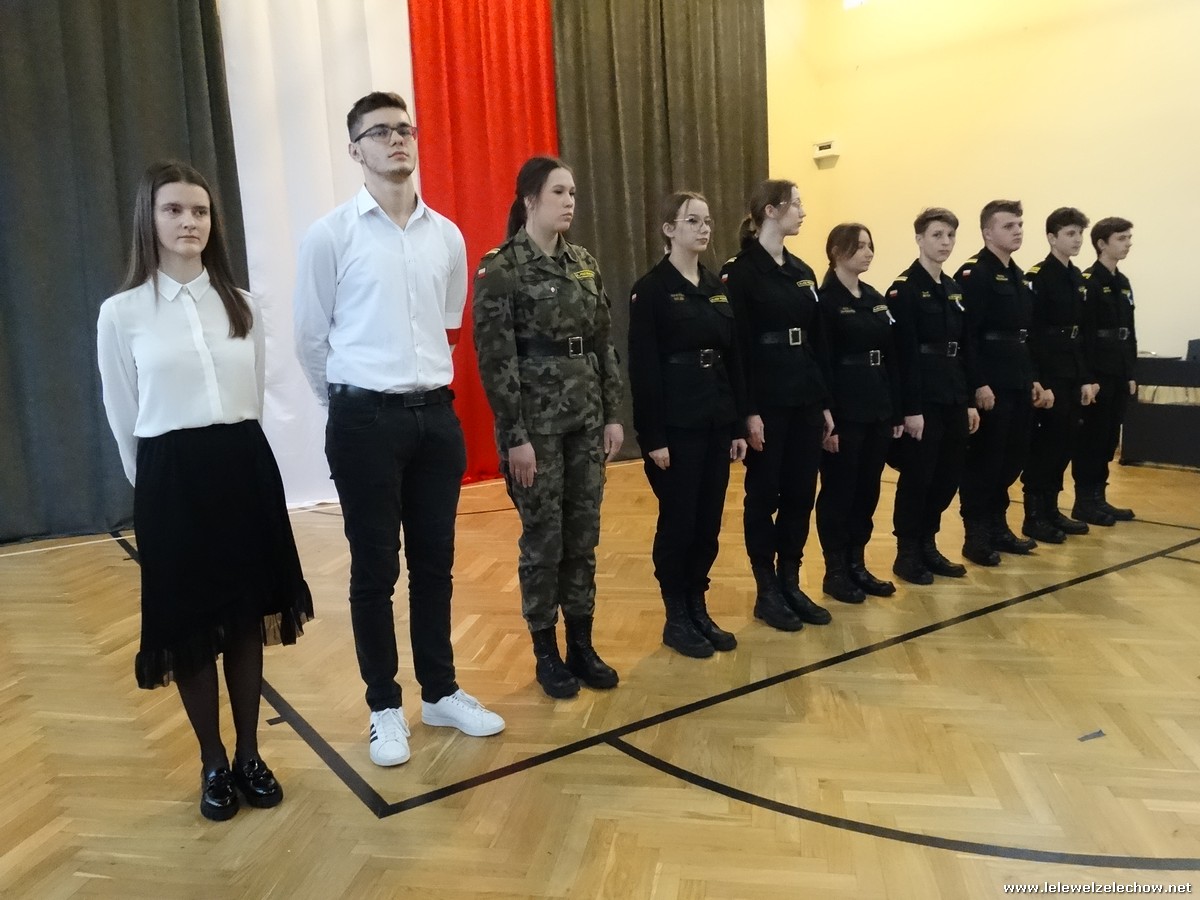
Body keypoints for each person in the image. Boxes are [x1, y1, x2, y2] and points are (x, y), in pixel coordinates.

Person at [97, 160, 313, 821]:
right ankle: (213, 760)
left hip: (242, 465)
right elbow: (122, 412)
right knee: (190, 625)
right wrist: (155, 490)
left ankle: (250, 754)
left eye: (200, 211)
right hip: (172, 477)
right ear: (150, 218)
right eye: (174, 210)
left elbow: (255, 389)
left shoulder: (242, 304)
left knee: (245, 616)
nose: (189, 222)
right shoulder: (122, 314)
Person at [294, 91, 504, 768]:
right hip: (364, 420)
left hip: (435, 419)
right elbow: (309, 339)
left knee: (436, 565)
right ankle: (384, 706)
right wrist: (349, 404)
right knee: (375, 569)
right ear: (354, 150)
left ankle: (439, 692)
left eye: (404, 129)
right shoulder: (331, 235)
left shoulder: (447, 235)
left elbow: (447, 324)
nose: (396, 140)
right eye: (379, 132)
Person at [473, 156, 624, 698]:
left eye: (573, 193)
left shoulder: (583, 263)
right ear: (530, 199)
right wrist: (514, 437)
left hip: (585, 421)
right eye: (559, 192)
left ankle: (582, 644)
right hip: (535, 430)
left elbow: (603, 342)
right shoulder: (501, 268)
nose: (569, 202)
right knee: (544, 541)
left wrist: (612, 413)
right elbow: (495, 359)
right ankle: (546, 650)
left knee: (583, 537)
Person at [628, 191, 748, 658]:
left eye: (707, 221)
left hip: (716, 417)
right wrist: (653, 436)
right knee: (679, 521)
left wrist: (737, 425)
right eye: (693, 220)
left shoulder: (716, 286)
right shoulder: (652, 289)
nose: (704, 229)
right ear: (668, 229)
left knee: (708, 520)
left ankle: (698, 604)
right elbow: (644, 369)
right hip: (677, 425)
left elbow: (732, 358)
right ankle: (675, 613)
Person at [721, 180, 833, 632]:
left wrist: (824, 403)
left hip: (804, 395)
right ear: (770, 210)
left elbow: (817, 341)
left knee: (802, 492)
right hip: (767, 399)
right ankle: (766, 588)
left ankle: (790, 580)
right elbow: (737, 347)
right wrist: (747, 411)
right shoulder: (741, 271)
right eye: (796, 204)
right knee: (764, 494)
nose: (803, 212)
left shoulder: (803, 271)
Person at [955, 200, 1052, 566]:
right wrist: (978, 383)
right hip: (991, 381)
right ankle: (976, 534)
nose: (1017, 231)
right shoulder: (975, 274)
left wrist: (1034, 378)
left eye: (1020, 225)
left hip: (1018, 377)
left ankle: (998, 525)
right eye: (1009, 226)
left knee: (1012, 457)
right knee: (986, 459)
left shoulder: (1017, 275)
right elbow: (968, 336)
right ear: (987, 232)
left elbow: (1024, 334)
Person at [887, 208, 980, 584]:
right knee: (919, 476)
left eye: (950, 236)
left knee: (947, 475)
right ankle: (907, 551)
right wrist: (910, 408)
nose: (945, 242)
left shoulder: (954, 288)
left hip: (953, 391)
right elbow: (903, 354)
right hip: (923, 396)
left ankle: (928, 543)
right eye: (937, 235)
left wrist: (970, 399)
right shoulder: (904, 289)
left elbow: (965, 346)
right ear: (920, 239)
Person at [815, 224, 903, 602]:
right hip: (845, 411)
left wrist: (895, 411)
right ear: (837, 251)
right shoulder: (825, 301)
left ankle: (857, 563)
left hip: (877, 406)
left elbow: (891, 356)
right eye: (860, 246)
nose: (868, 252)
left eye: (870, 245)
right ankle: (835, 570)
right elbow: (821, 361)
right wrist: (828, 416)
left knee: (867, 489)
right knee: (840, 490)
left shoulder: (874, 298)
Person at [1020, 207, 1096, 542]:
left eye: (1080, 233)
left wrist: (1086, 377)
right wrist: (1039, 379)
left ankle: (1051, 509)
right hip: (1050, 370)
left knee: (1066, 441)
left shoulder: (1076, 277)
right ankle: (1034, 514)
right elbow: (1032, 333)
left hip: (1071, 368)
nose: (1077, 239)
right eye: (1070, 233)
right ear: (1052, 238)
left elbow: (1080, 332)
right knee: (1046, 444)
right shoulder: (1039, 276)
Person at [1072, 217, 1138, 523]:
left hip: (1118, 368)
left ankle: (1099, 497)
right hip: (1098, 370)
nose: (1128, 243)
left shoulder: (1122, 283)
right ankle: (1085, 501)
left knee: (1110, 437)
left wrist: (1131, 372)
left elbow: (1130, 331)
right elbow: (1084, 335)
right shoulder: (1089, 282)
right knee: (1093, 437)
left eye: (1129, 238)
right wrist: (1088, 377)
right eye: (1121, 238)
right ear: (1101, 243)